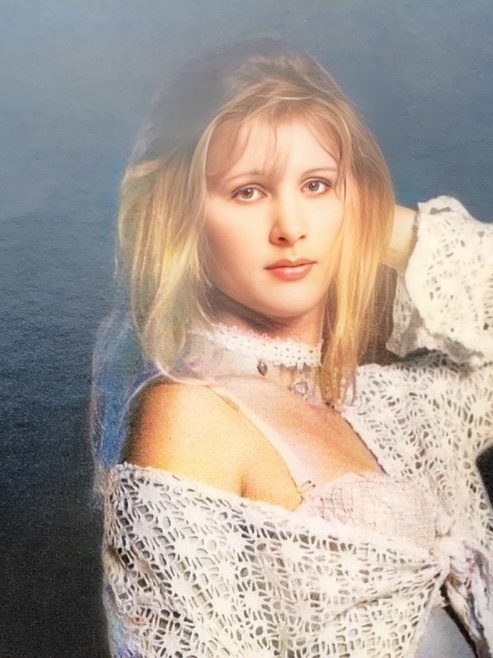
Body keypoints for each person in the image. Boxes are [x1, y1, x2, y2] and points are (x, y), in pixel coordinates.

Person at [93, 40, 493, 657]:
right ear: (180, 213)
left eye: (316, 184)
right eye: (248, 192)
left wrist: (376, 221)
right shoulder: (188, 416)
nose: (291, 228)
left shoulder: (392, 406)